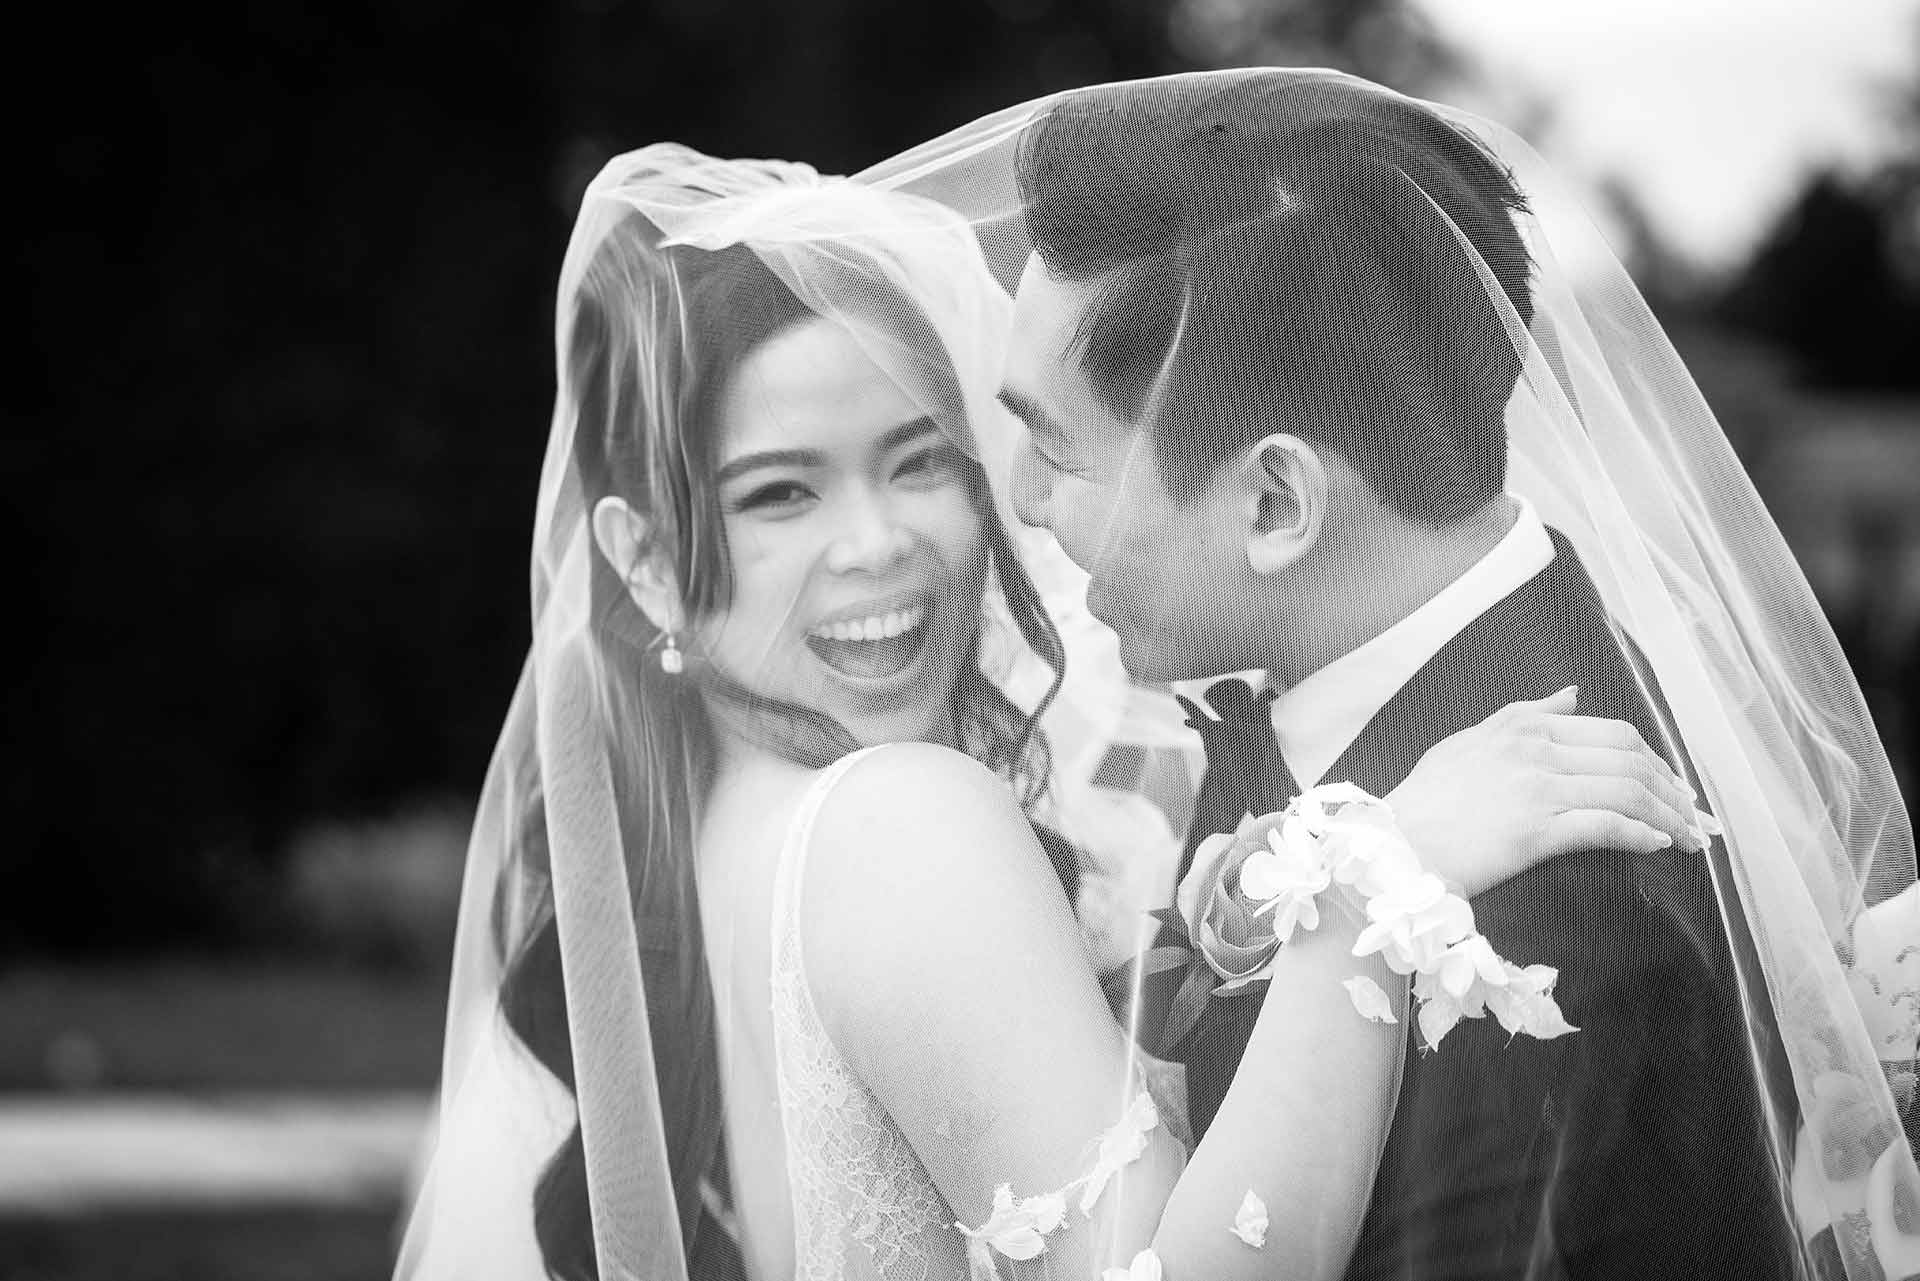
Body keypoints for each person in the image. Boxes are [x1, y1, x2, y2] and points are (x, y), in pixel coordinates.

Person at [391, 142, 1713, 1281]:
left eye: (921, 462)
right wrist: (1373, 887)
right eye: (779, 494)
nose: (877, 545)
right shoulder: (899, 822)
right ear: (638, 557)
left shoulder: (685, 816)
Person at [865, 68, 1918, 1280]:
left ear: (1274, 502)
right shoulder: (1394, 683)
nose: (1026, 505)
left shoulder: (1538, 940)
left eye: (1058, 451)